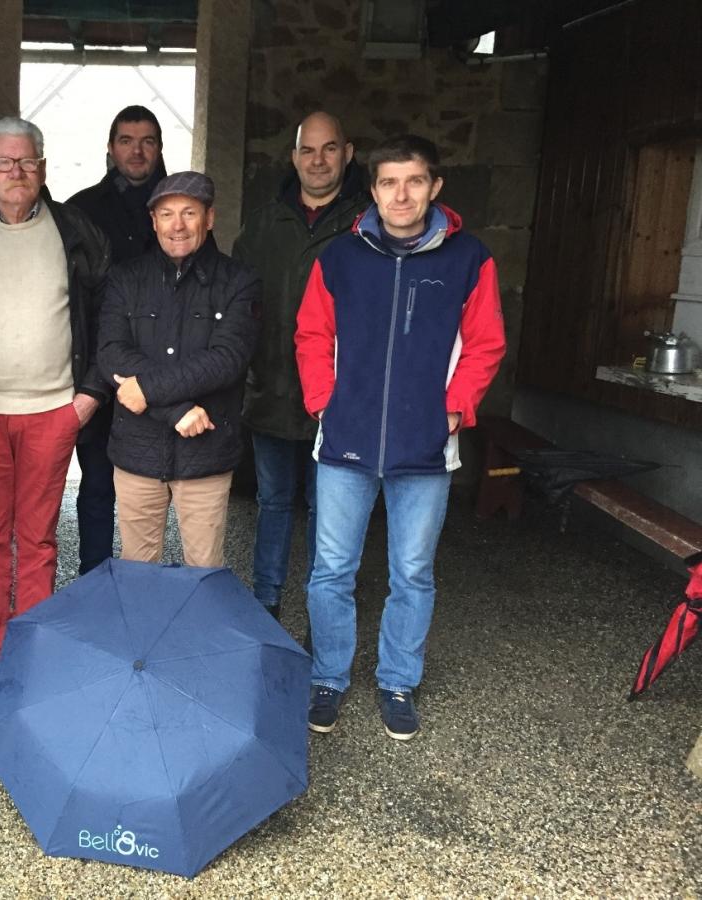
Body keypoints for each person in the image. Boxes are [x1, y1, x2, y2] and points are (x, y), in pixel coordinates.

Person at [295, 134, 506, 741]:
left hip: (426, 443)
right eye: (389, 182)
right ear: (373, 190)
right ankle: (329, 677)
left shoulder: (469, 259)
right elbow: (312, 335)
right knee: (331, 570)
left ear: (435, 187)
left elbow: (486, 342)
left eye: (414, 181)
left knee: (412, 572)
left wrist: (456, 408)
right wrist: (321, 403)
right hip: (345, 439)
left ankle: (397, 681)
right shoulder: (340, 256)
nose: (401, 194)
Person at [0, 116, 110, 697]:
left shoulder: (76, 231)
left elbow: (108, 314)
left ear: (43, 167)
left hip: (53, 411)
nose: (16, 172)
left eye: (27, 161)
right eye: (5, 162)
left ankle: (29, 645)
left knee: (36, 539)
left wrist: (86, 399)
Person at [233, 111, 370, 619]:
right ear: (293, 157)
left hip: (337, 396)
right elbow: (239, 304)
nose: (318, 160)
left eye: (329, 148)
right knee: (272, 500)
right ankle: (265, 602)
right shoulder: (266, 222)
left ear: (348, 153)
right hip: (270, 386)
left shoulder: (365, 223)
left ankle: (321, 606)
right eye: (307, 150)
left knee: (326, 509)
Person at [97, 171, 260, 567]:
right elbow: (112, 354)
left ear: (209, 218)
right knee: (137, 568)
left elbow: (227, 359)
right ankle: (142, 633)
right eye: (167, 214)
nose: (177, 225)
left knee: (204, 573)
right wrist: (176, 410)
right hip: (138, 451)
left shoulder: (239, 281)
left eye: (189, 212)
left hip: (205, 453)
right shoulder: (126, 278)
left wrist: (148, 390)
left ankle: (198, 633)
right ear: (153, 221)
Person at [67, 106, 169, 576]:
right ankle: (93, 579)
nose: (137, 149)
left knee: (152, 487)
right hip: (97, 364)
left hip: (160, 371)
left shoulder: (176, 207)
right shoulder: (82, 209)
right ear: (110, 148)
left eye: (147, 140)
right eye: (127, 140)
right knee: (96, 484)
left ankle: (138, 582)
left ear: (160, 148)